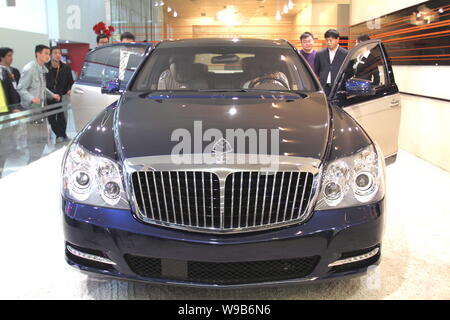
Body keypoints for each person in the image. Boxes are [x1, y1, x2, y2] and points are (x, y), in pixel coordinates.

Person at [17, 45, 60, 110]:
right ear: (38, 54)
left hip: (41, 106)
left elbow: (42, 86)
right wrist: (32, 98)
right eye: (46, 53)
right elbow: (20, 89)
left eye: (49, 54)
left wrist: (52, 95)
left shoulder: (43, 69)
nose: (48, 56)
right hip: (29, 108)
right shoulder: (29, 69)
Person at [46, 46, 74, 142]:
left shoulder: (66, 68)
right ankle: (58, 134)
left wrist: (69, 89)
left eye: (59, 53)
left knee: (62, 116)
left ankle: (63, 134)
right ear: (50, 55)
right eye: (55, 53)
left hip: (62, 95)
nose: (58, 55)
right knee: (51, 117)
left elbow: (71, 81)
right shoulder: (45, 68)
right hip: (50, 96)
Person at [314, 29, 348, 96]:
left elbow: (348, 71)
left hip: (338, 87)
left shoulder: (345, 53)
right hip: (324, 86)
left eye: (330, 40)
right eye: (327, 40)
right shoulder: (320, 53)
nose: (328, 42)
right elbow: (316, 70)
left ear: (337, 39)